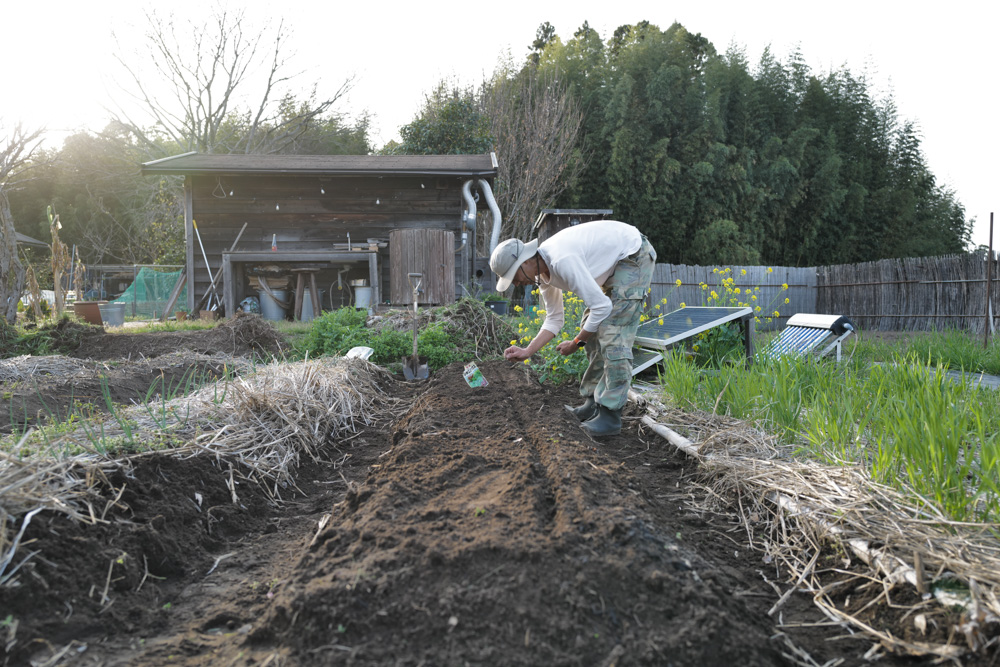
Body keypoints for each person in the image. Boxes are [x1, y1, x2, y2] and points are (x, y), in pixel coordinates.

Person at [489, 220, 656, 437]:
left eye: (514, 276)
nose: (516, 283)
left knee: (612, 331)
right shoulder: (541, 274)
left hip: (633, 254)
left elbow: (602, 307)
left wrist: (576, 343)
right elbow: (554, 319)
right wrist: (527, 351)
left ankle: (610, 416)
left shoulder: (562, 260)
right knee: (592, 326)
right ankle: (593, 402)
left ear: (527, 261)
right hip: (616, 260)